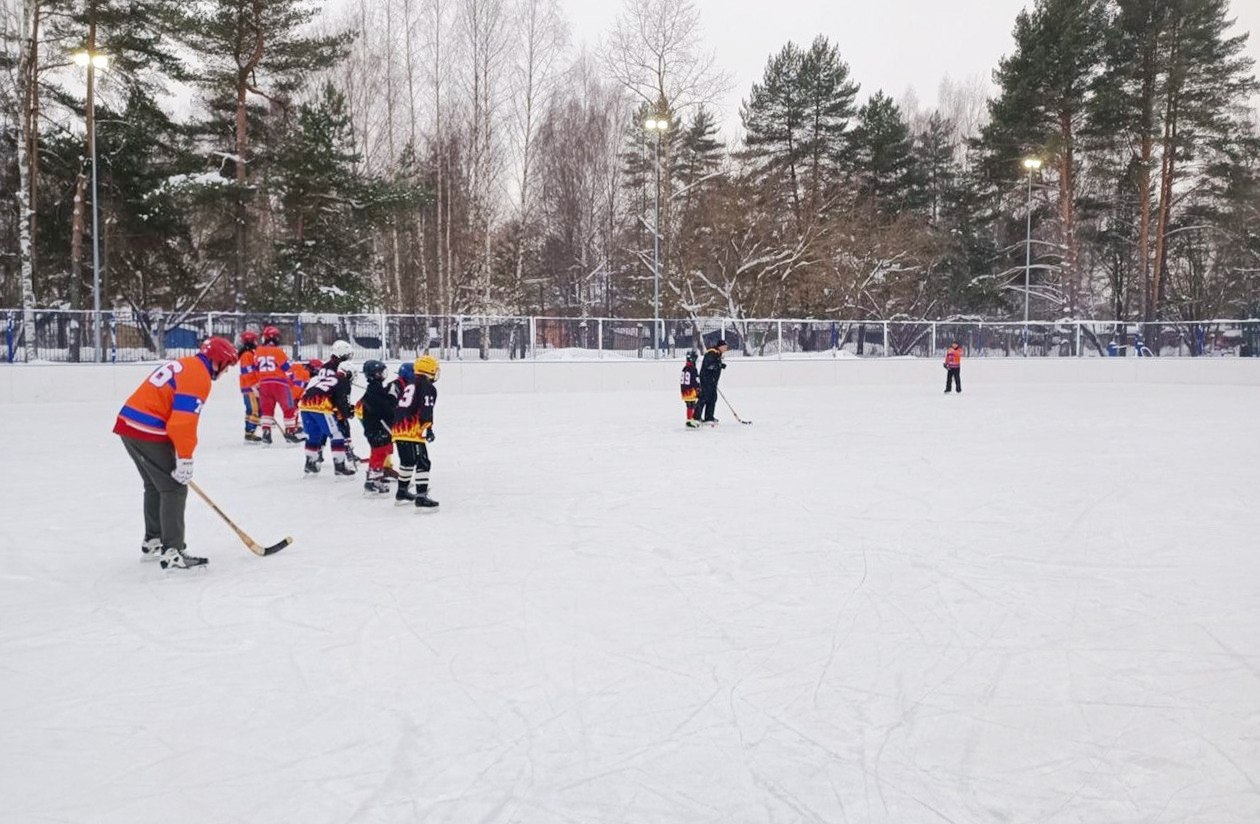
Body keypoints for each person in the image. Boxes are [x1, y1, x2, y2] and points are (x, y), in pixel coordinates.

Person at [114, 337, 238, 570]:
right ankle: (173, 551)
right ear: (218, 361)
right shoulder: (199, 376)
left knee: (154, 485)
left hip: (129, 424)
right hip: (145, 429)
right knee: (173, 488)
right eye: (227, 365)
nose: (227, 370)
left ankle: (154, 540)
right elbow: (182, 423)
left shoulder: (187, 364)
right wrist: (185, 458)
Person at [298, 340, 355, 476]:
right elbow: (340, 400)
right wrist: (347, 412)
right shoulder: (343, 379)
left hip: (305, 402)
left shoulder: (326, 368)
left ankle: (310, 463)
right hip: (322, 405)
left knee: (314, 436)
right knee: (337, 434)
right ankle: (340, 466)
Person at [391, 355, 440, 510]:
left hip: (398, 428)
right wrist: (427, 427)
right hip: (411, 430)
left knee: (407, 461)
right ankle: (421, 497)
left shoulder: (410, 384)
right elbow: (426, 410)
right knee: (423, 462)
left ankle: (402, 491)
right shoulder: (427, 386)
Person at [254, 325, 302, 444]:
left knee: (267, 410)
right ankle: (290, 432)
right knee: (288, 408)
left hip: (264, 383)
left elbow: (255, 368)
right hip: (280, 384)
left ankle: (266, 433)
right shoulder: (278, 351)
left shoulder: (258, 351)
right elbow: (286, 368)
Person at [356, 359, 396, 495]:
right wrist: (392, 399)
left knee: (382, 451)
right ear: (374, 374)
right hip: (376, 428)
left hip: (377, 427)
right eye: (380, 372)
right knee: (379, 452)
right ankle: (373, 480)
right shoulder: (374, 390)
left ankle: (376, 476)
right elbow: (384, 408)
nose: (383, 374)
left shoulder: (377, 388)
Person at [237, 330, 262, 443]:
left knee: (250, 410)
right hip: (250, 386)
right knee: (255, 410)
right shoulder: (247, 355)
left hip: (249, 385)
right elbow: (247, 371)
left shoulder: (250, 354)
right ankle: (250, 433)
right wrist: (254, 384)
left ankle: (249, 432)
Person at [696, 340, 728, 424]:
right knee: (704, 398)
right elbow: (709, 366)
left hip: (712, 381)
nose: (726, 349)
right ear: (720, 346)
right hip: (706, 380)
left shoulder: (717, 354)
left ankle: (709, 417)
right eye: (724, 347)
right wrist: (719, 365)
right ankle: (696, 417)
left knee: (712, 398)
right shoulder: (711, 353)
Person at [680, 350, 702, 429]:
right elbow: (695, 380)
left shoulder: (685, 368)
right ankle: (689, 420)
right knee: (691, 405)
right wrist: (698, 389)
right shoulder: (693, 369)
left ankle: (690, 419)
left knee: (689, 405)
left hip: (684, 390)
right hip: (690, 390)